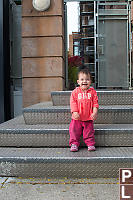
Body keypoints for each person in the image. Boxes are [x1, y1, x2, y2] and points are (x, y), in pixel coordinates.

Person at [69, 67, 99, 152]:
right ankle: (74, 144)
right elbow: (73, 103)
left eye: (87, 79)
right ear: (78, 82)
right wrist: (74, 112)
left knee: (89, 131)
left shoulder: (93, 92)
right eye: (82, 79)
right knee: (74, 130)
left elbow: (95, 103)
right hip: (77, 118)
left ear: (90, 82)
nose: (84, 81)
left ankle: (90, 143)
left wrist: (95, 112)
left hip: (88, 117)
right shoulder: (75, 92)